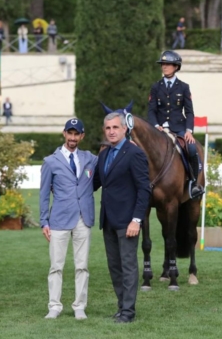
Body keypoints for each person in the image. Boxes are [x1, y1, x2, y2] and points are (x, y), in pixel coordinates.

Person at [93, 112, 151, 324]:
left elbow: (144, 189)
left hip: (128, 222)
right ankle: (121, 306)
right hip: (108, 220)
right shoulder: (104, 154)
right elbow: (96, 184)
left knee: (128, 266)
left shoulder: (134, 153)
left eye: (115, 127)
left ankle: (128, 312)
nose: (111, 132)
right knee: (114, 267)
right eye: (108, 128)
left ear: (124, 129)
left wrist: (136, 220)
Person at [40, 118, 97, 320]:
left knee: (82, 265)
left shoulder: (90, 159)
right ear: (64, 133)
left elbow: (110, 161)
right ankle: (54, 306)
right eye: (70, 133)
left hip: (84, 218)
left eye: (77, 134)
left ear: (82, 136)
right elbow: (44, 194)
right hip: (59, 220)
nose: (73, 138)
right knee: (56, 266)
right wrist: (44, 222)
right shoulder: (50, 162)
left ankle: (79, 306)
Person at [148, 51, 204, 198]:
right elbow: (151, 110)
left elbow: (190, 112)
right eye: (163, 64)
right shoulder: (155, 87)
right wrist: (155, 125)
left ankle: (194, 184)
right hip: (159, 130)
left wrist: (188, 131)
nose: (164, 67)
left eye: (167, 64)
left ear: (176, 67)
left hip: (179, 128)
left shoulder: (184, 87)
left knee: (192, 148)